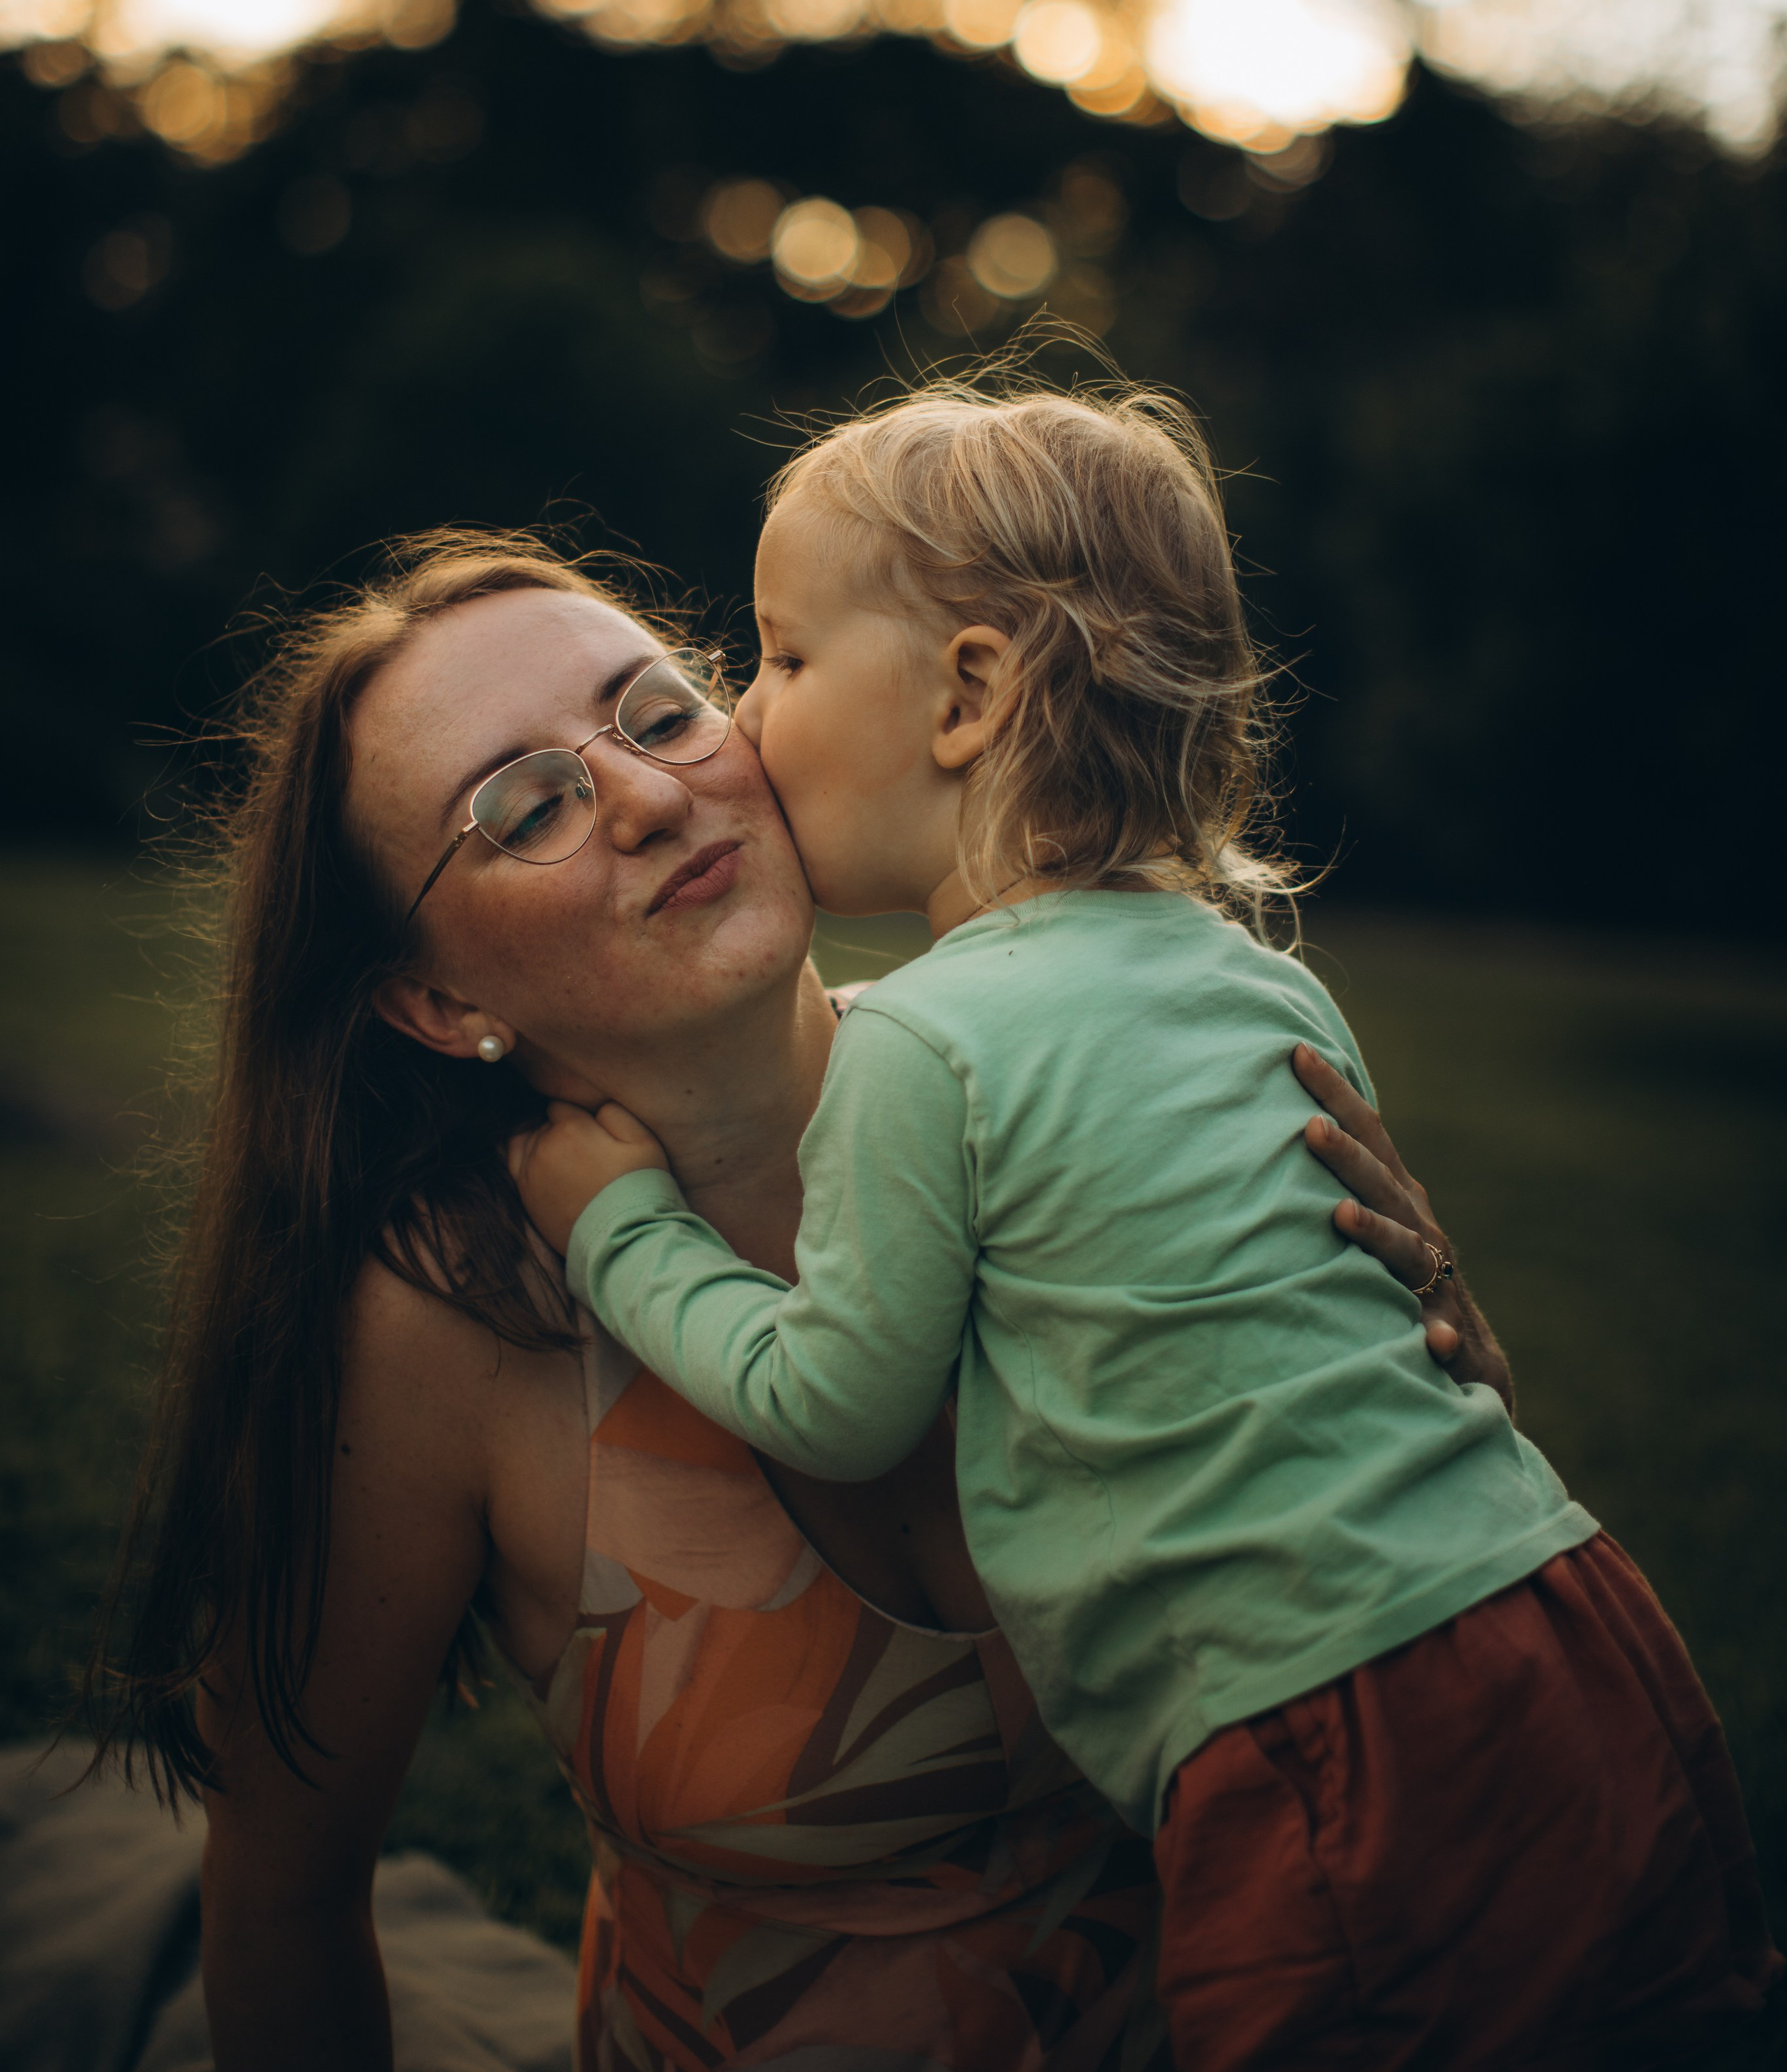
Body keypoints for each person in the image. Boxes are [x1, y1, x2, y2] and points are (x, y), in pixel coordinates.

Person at [87, 526, 1511, 2072]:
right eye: (524, 808)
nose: (643, 796)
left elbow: (1413, 1611)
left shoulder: (1081, 1093)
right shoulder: (446, 1331)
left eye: (657, 714)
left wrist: (1445, 1380)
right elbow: (283, 1905)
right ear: (439, 1004)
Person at [510, 391, 1782, 2072]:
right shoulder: (1255, 979)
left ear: (966, 695)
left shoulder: (920, 1039)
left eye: (785, 657)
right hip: (1563, 1616)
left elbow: (836, 1400)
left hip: (1320, 1724)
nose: (748, 714)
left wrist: (622, 1229)